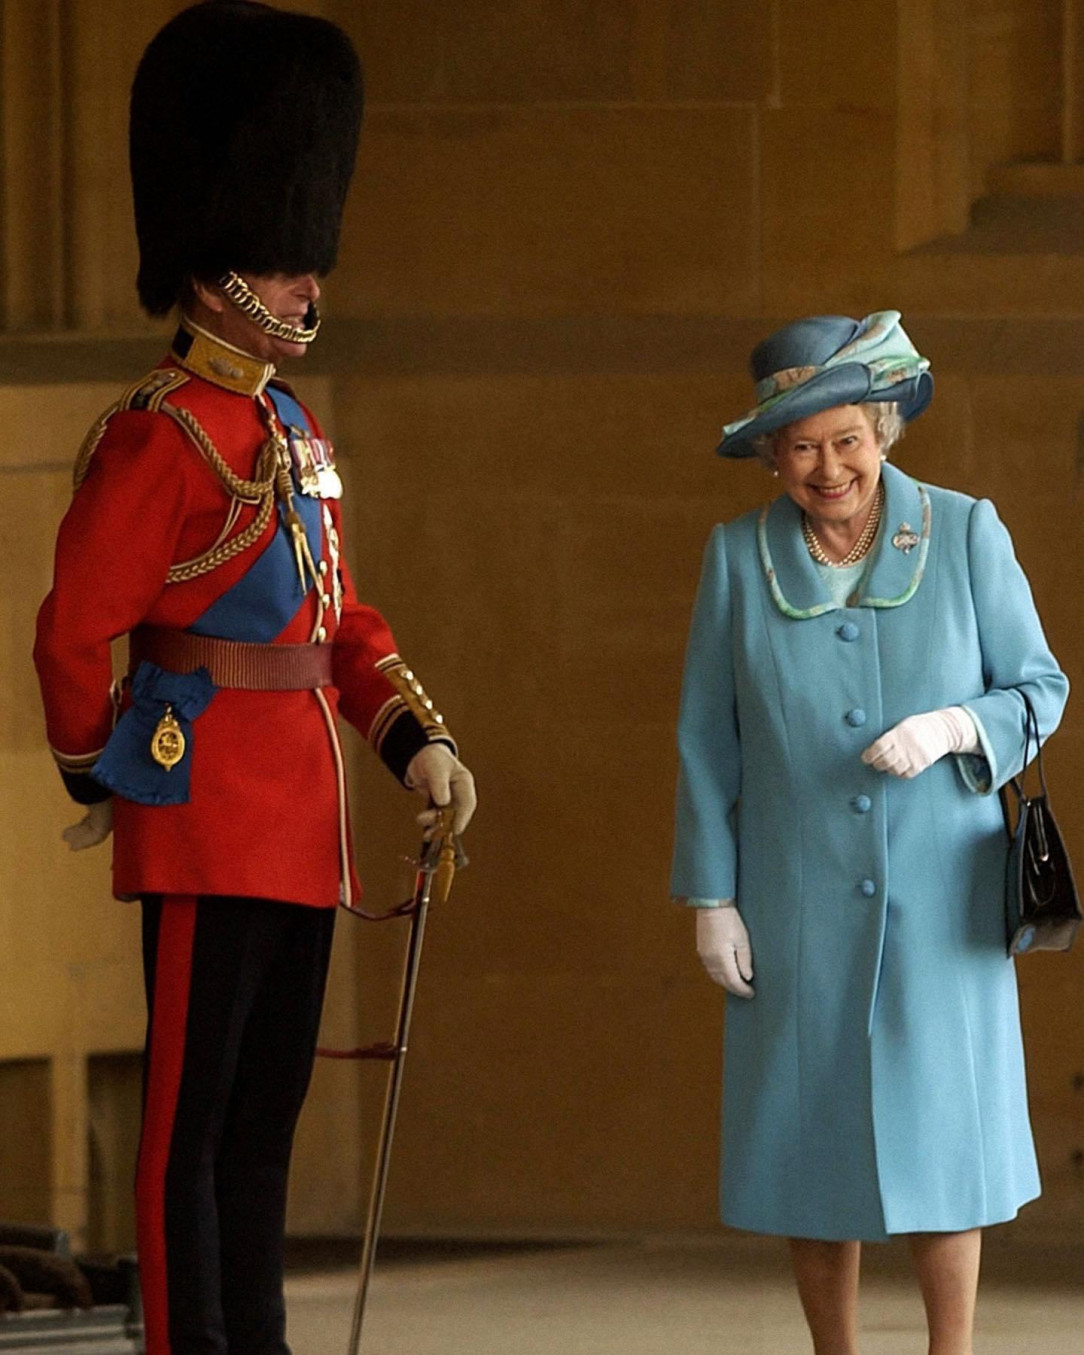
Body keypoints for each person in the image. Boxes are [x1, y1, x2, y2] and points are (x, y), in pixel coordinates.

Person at [33, 4, 476, 1353]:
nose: (305, 285)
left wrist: (415, 743)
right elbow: (72, 631)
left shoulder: (291, 427)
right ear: (216, 266)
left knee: (260, 1129)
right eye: (284, 263)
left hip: (298, 826)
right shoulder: (160, 438)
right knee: (187, 1129)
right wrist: (107, 767)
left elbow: (339, 620)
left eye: (305, 259)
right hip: (203, 816)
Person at [670, 311, 1068, 1355]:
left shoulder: (965, 528)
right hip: (792, 897)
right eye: (800, 445)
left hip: (944, 893)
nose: (827, 466)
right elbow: (706, 740)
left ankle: (953, 1349)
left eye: (846, 438)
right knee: (808, 1147)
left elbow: (1040, 687)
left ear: (883, 430)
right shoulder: (734, 555)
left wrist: (954, 726)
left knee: (946, 1139)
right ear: (769, 456)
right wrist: (710, 897)